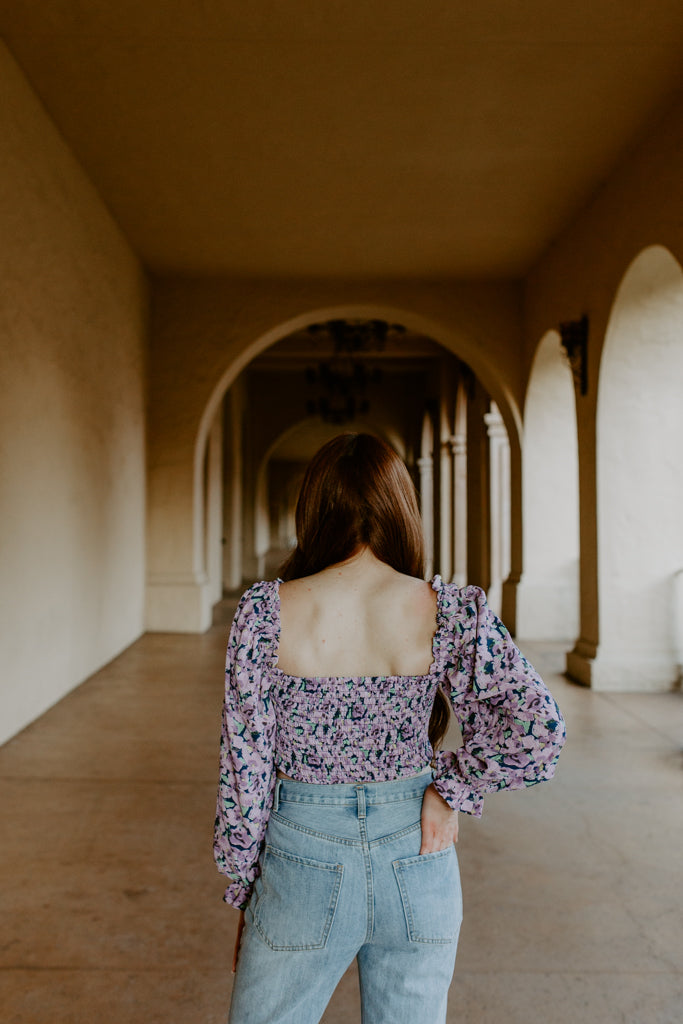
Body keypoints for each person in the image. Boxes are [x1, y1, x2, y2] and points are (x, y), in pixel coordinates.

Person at [214, 432, 566, 1024]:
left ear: (313, 511)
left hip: (302, 856)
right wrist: (449, 788)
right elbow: (539, 728)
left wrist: (246, 887)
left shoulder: (265, 612)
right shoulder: (450, 609)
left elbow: (243, 775)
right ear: (403, 509)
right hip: (419, 853)